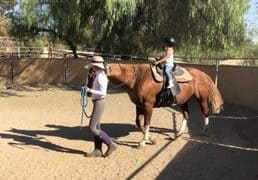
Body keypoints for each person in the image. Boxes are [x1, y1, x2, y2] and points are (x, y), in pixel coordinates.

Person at [86, 56, 118, 157]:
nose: (91, 68)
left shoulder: (100, 76)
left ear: (95, 66)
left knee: (92, 127)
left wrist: (90, 90)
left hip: (99, 101)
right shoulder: (98, 74)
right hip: (97, 101)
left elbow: (103, 92)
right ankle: (97, 150)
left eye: (92, 66)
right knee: (97, 126)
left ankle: (111, 144)